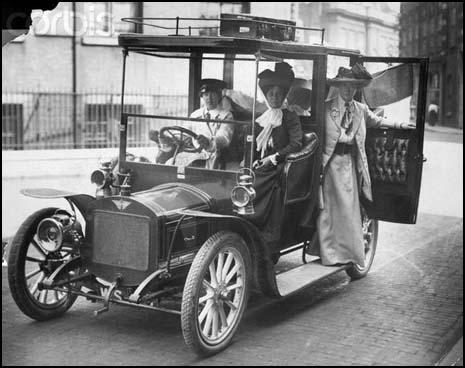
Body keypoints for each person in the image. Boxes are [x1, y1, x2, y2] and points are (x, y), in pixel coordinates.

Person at [306, 63, 415, 267]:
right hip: (329, 167)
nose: (349, 90)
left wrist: (401, 126)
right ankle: (329, 254)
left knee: (348, 211)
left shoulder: (360, 110)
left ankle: (347, 254)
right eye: (345, 86)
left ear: (357, 88)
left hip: (349, 165)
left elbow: (378, 121)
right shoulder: (326, 108)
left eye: (353, 87)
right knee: (328, 211)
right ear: (338, 87)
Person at [247, 62, 303, 248]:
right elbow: (254, 144)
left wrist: (273, 158)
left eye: (279, 94)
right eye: (271, 94)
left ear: (284, 95)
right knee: (243, 177)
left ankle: (266, 233)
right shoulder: (263, 117)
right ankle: (247, 227)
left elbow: (296, 143)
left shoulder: (289, 116)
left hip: (281, 164)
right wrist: (253, 161)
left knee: (257, 184)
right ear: (266, 96)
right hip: (262, 163)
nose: (275, 97)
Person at [151, 79, 234, 169]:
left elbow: (224, 138)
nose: (209, 99)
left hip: (213, 155)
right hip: (195, 153)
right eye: (206, 95)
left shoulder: (226, 115)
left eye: (213, 95)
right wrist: (168, 137)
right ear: (202, 96)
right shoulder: (196, 114)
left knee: (183, 169)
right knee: (169, 164)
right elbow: (184, 132)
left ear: (218, 96)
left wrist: (208, 142)